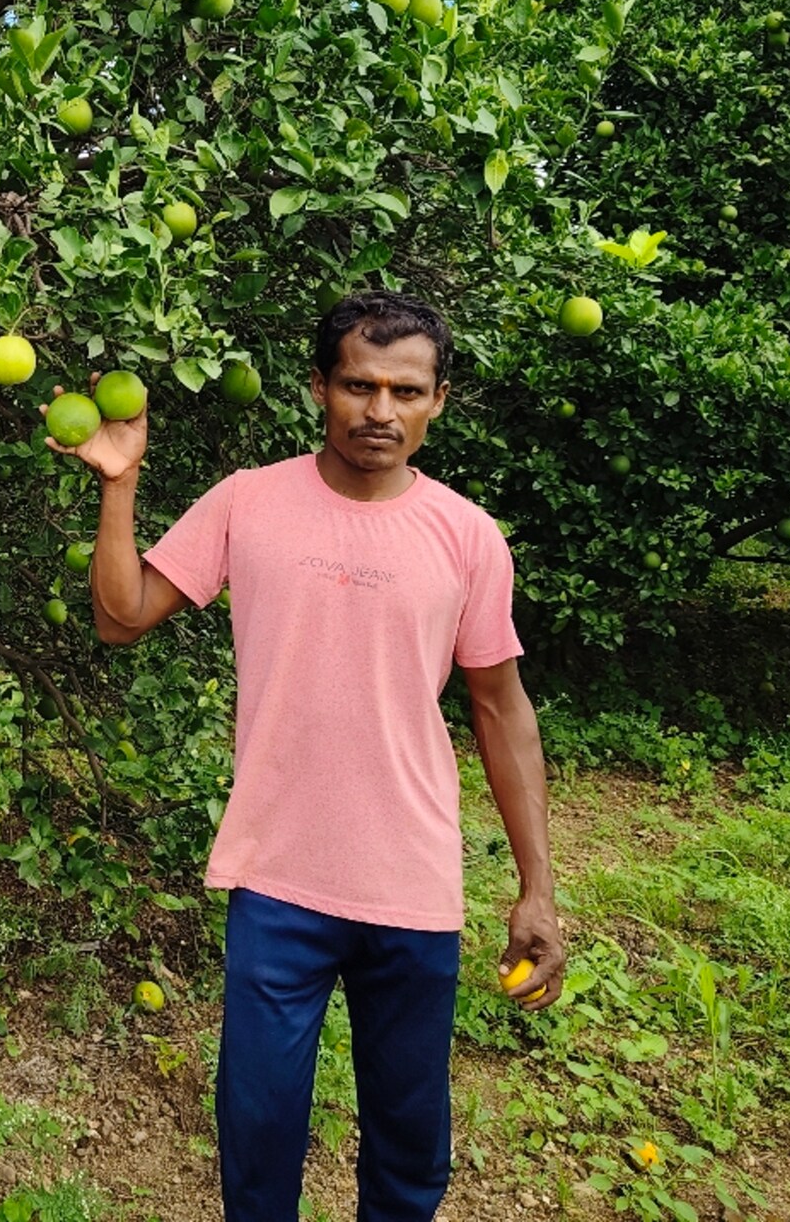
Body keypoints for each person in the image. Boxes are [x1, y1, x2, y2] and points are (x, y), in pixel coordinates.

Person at [60, 291, 566, 1221]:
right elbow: (119, 615)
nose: (381, 411)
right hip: (277, 878)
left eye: (405, 390)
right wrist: (119, 484)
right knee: (257, 1141)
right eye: (358, 385)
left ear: (438, 401)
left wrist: (536, 885)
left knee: (410, 1145)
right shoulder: (249, 501)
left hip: (411, 886)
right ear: (318, 390)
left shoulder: (467, 536)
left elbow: (502, 710)